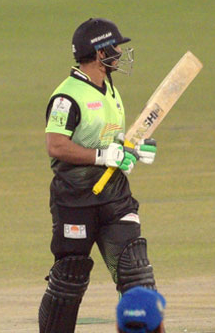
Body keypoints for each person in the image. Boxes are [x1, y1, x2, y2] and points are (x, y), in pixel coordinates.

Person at [39, 18, 158, 333]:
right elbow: (56, 145)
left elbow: (108, 138)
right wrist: (102, 156)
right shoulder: (67, 98)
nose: (120, 52)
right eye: (115, 47)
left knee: (137, 276)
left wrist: (131, 148)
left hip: (115, 197)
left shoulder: (110, 89)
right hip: (75, 199)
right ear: (98, 51)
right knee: (70, 277)